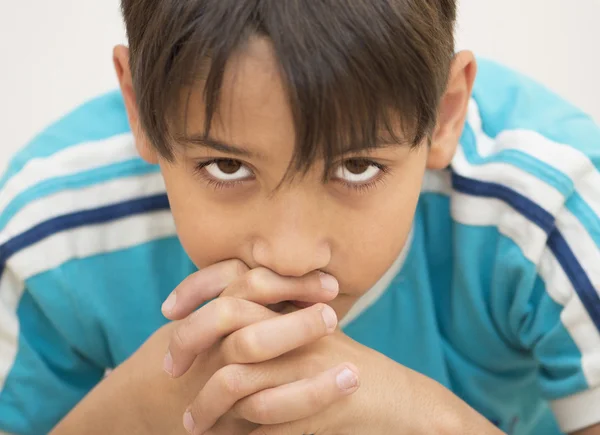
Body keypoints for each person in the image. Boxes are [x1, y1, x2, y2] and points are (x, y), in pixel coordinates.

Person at [0, 1, 599, 434]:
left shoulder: (550, 211)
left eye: (358, 167)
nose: (288, 256)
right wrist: (145, 403)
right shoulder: (52, 231)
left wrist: (424, 419)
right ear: (139, 109)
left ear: (445, 115)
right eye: (227, 167)